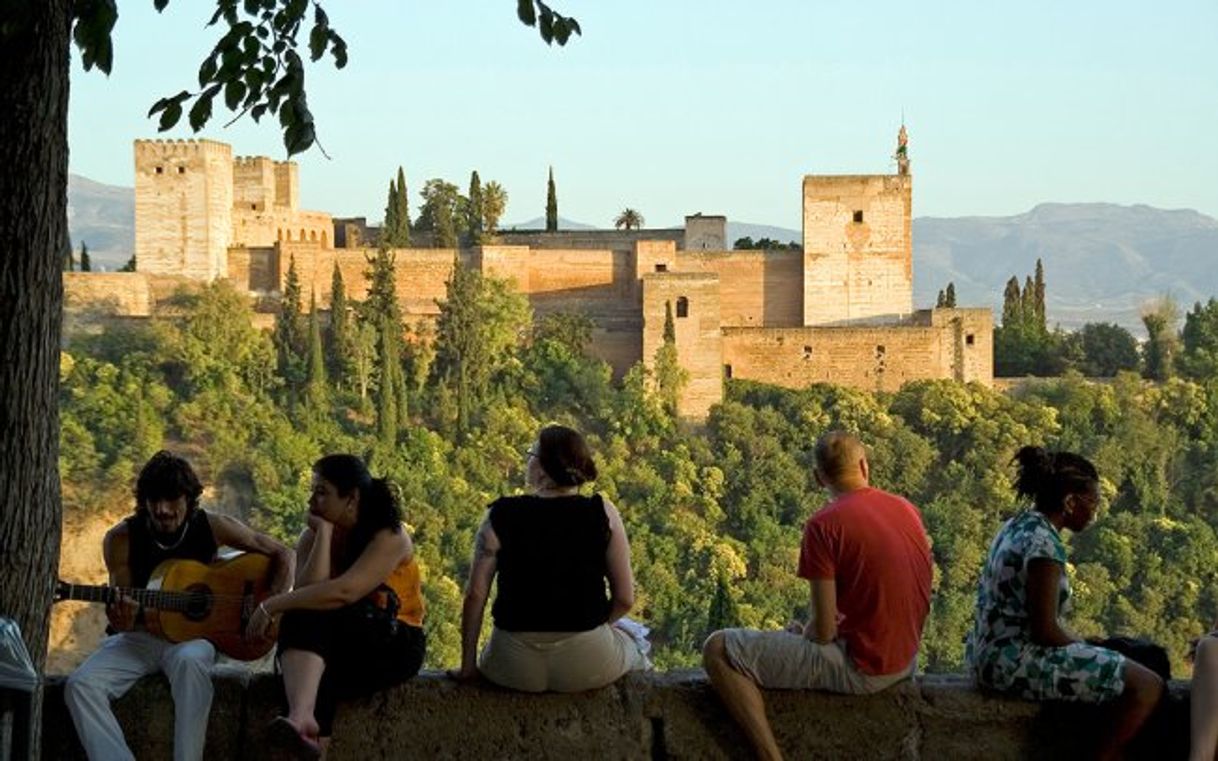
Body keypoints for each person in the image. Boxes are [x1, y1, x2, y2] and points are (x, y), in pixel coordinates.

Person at [703, 431, 932, 761]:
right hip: (906, 659)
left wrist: (805, 632)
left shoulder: (823, 525)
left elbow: (824, 632)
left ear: (817, 478)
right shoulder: (906, 508)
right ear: (864, 466)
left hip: (864, 668)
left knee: (719, 649)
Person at [65, 450, 295, 761]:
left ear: (189, 499)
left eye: (172, 500)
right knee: (80, 685)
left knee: (190, 661)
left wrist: (269, 608)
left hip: (193, 640)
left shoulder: (213, 526)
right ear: (143, 501)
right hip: (139, 638)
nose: (162, 509)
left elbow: (284, 554)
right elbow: (123, 614)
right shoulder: (121, 539)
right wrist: (123, 618)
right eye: (153, 500)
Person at [965, 446, 1163, 761]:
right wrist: (1093, 647)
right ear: (1070, 502)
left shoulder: (1018, 525)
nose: (1096, 511)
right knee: (1147, 685)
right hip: (1011, 662)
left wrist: (1089, 646)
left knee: (1128, 657)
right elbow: (1045, 630)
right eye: (1094, 501)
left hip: (986, 653)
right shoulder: (1044, 547)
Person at [244, 454, 425, 759]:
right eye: (312, 491)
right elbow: (307, 597)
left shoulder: (390, 536)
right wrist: (324, 536)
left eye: (322, 492)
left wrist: (270, 606)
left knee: (315, 651)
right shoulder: (313, 535)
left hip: (396, 642)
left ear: (351, 498)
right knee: (313, 676)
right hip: (345, 638)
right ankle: (302, 721)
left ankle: (302, 720)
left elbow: (343, 593)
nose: (312, 500)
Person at [448, 424, 647, 692]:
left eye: (532, 454)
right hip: (586, 662)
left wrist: (468, 665)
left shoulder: (500, 514)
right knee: (636, 644)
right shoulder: (603, 514)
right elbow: (625, 599)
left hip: (512, 664)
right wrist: (595, 626)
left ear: (542, 467)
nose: (527, 460)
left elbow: (475, 594)